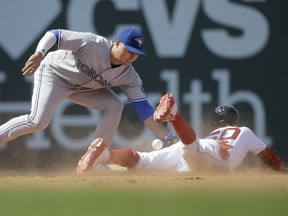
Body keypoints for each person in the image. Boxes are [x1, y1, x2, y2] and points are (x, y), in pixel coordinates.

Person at [0, 28, 176, 151]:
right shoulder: (91, 43)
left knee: (114, 105)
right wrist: (40, 53)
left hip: (83, 88)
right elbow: (54, 34)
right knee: (38, 121)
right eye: (129, 50)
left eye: (137, 53)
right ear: (116, 43)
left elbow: (144, 109)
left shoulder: (130, 76)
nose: (132, 56)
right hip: (55, 75)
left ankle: (97, 156)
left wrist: (166, 136)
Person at [76, 92, 287, 173]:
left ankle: (106, 155)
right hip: (212, 155)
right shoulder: (244, 131)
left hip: (193, 154)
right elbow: (269, 158)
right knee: (191, 147)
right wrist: (283, 172)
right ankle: (174, 115)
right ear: (235, 121)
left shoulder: (214, 134)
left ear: (215, 123)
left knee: (143, 160)